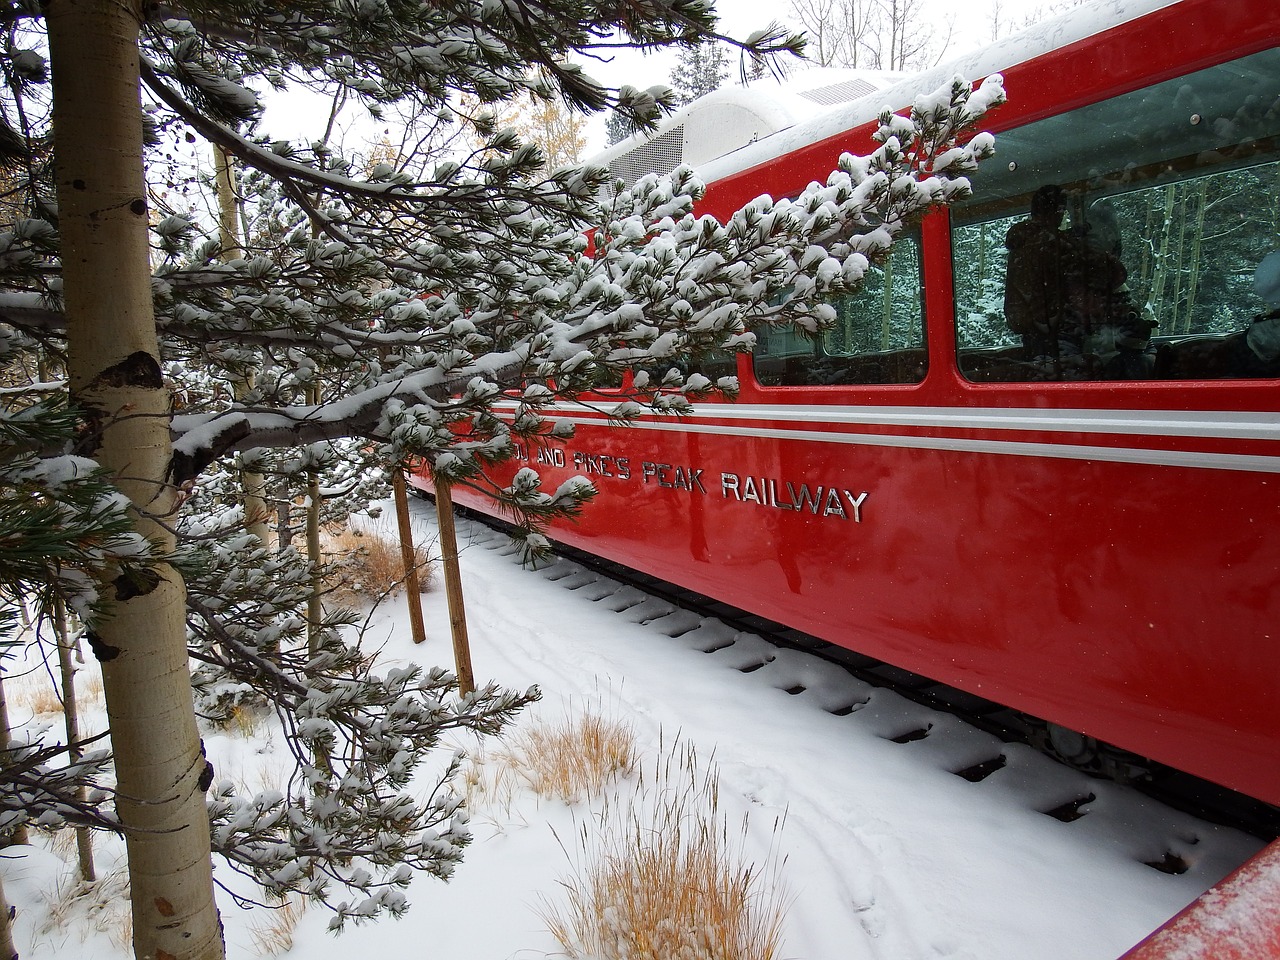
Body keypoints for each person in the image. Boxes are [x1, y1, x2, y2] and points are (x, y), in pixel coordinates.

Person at [1003, 184, 1071, 362]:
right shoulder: (1050, 243)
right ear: (1054, 211)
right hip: (1050, 325)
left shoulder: (1023, 242)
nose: (1062, 215)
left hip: (1031, 324)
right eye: (1061, 209)